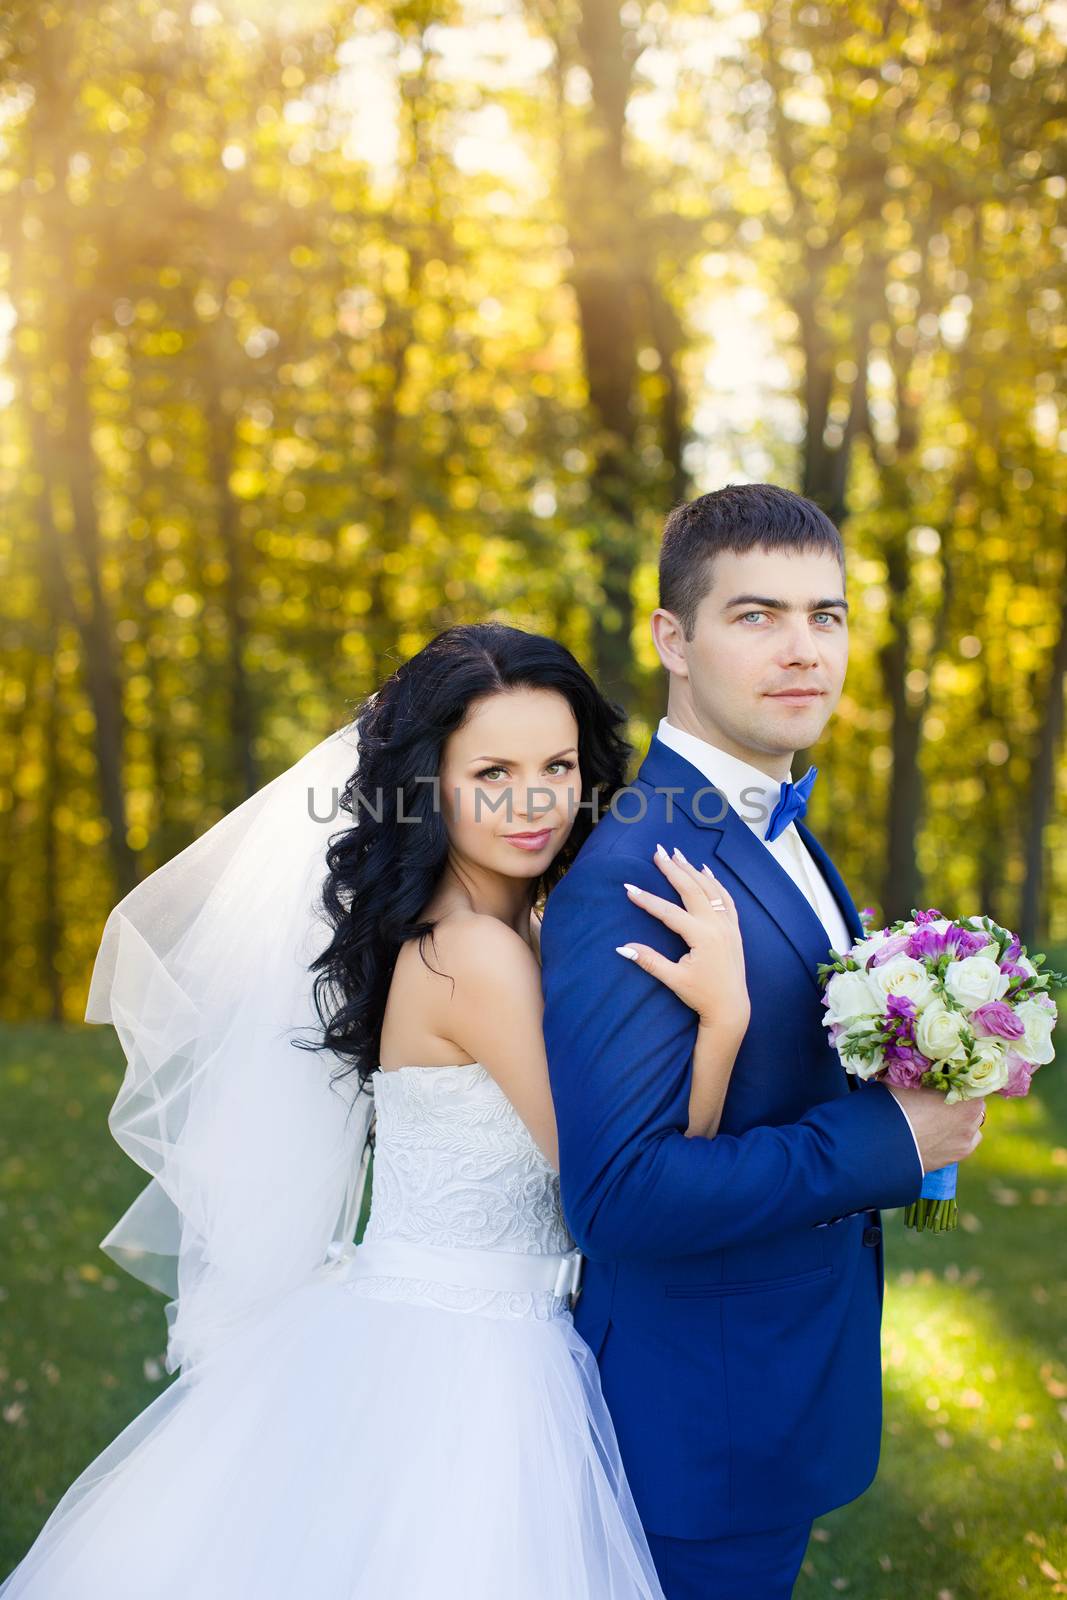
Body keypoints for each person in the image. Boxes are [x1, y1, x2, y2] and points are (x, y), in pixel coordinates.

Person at [1, 621, 749, 1600]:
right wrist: (723, 1019)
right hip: (467, 1363)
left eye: (558, 764)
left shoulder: (498, 922)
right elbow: (621, 1185)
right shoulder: (474, 955)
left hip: (435, 1320)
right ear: (427, 783)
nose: (534, 802)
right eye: (492, 772)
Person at [539, 484, 987, 1600]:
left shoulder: (773, 821)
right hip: (698, 1426)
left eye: (823, 616)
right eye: (755, 615)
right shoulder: (638, 869)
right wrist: (887, 1135)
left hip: (776, 1386)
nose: (802, 651)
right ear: (670, 641)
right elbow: (621, 1194)